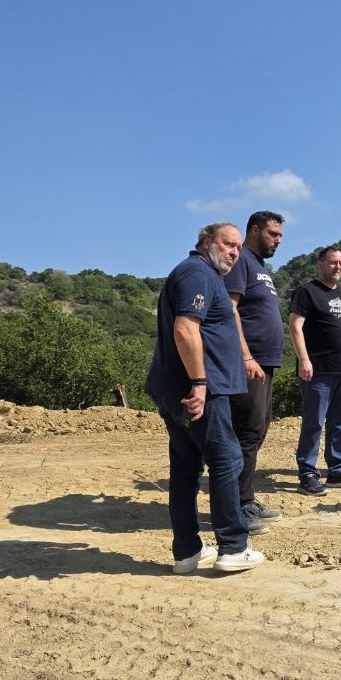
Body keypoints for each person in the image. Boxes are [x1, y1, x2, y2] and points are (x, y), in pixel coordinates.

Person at [144, 223, 264, 574]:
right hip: (199, 391)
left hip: (178, 387)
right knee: (227, 460)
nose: (234, 252)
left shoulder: (200, 274)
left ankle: (188, 552)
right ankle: (233, 547)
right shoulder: (197, 273)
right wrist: (199, 382)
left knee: (186, 468)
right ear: (207, 241)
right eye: (228, 244)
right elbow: (185, 329)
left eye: (238, 247)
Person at [225, 211, 286, 535]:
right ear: (254, 230)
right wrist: (246, 356)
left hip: (265, 363)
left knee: (258, 430)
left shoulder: (260, 267)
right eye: (273, 234)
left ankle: (245, 498)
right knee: (247, 433)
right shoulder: (242, 261)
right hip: (248, 363)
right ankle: (237, 507)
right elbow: (230, 308)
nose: (278, 240)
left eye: (280, 236)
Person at [289, 246, 341, 496]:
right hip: (317, 371)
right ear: (320, 264)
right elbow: (295, 326)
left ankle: (337, 471)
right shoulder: (307, 292)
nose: (337, 267)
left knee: (340, 422)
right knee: (314, 423)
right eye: (332, 262)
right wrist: (303, 360)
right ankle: (307, 474)